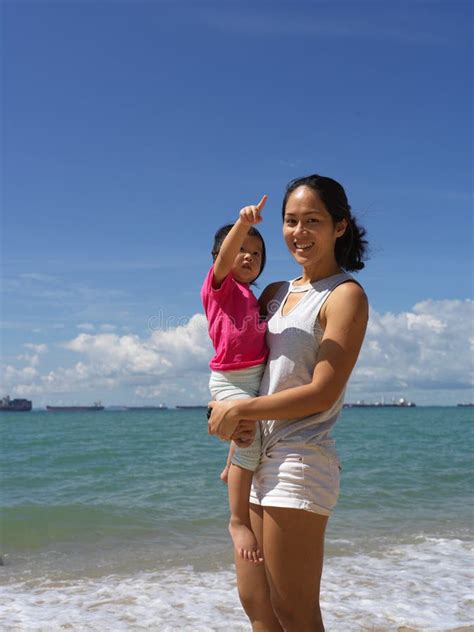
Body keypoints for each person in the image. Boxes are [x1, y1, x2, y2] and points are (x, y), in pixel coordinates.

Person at [208, 174, 369, 632]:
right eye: (290, 221)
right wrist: (235, 440)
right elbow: (253, 374)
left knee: (294, 613)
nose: (299, 232)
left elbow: (323, 391)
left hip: (301, 458)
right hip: (257, 457)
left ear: (339, 226)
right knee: (257, 604)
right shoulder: (274, 292)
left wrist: (239, 413)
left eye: (312, 220)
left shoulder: (345, 296)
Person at [201, 195, 270, 564]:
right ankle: (237, 520)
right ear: (219, 258)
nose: (248, 256)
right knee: (250, 443)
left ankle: (230, 468)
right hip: (230, 379)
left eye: (256, 254)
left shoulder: (250, 297)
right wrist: (244, 224)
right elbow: (228, 257)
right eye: (241, 249)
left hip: (251, 378)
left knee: (248, 429)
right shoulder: (220, 287)